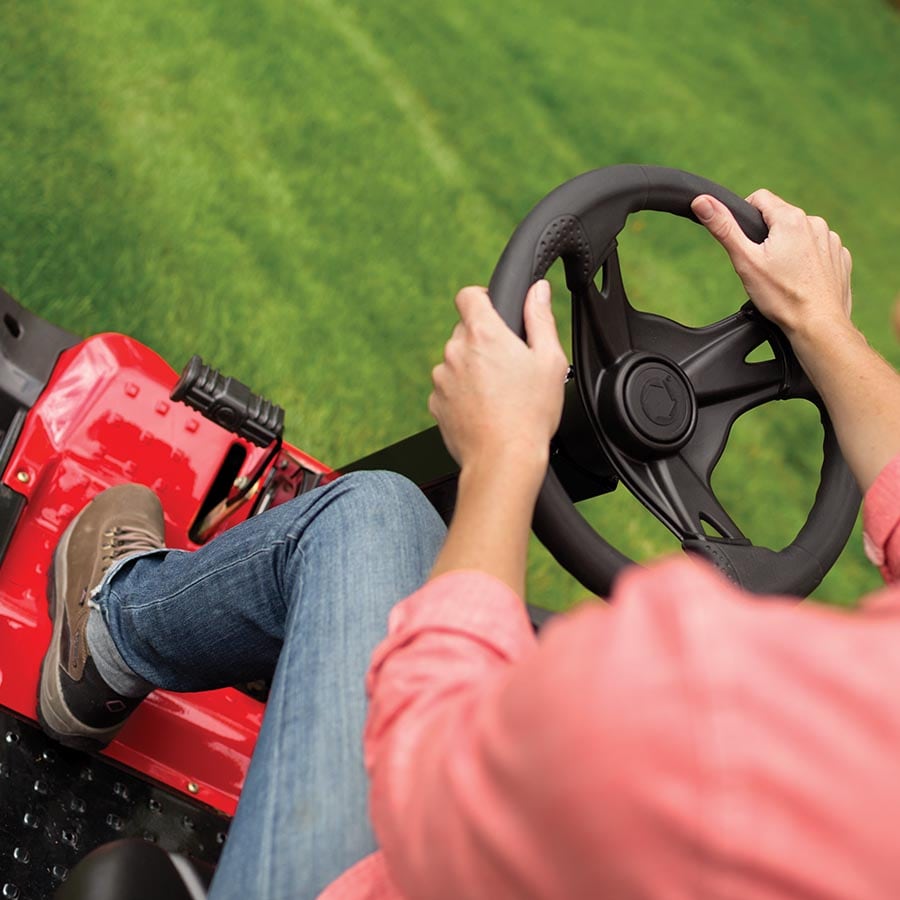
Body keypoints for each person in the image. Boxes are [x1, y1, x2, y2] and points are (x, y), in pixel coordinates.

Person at [37, 188, 900, 899]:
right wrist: (819, 325)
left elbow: (430, 765)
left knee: (376, 517)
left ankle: (112, 628)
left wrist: (505, 453)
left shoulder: (724, 706)